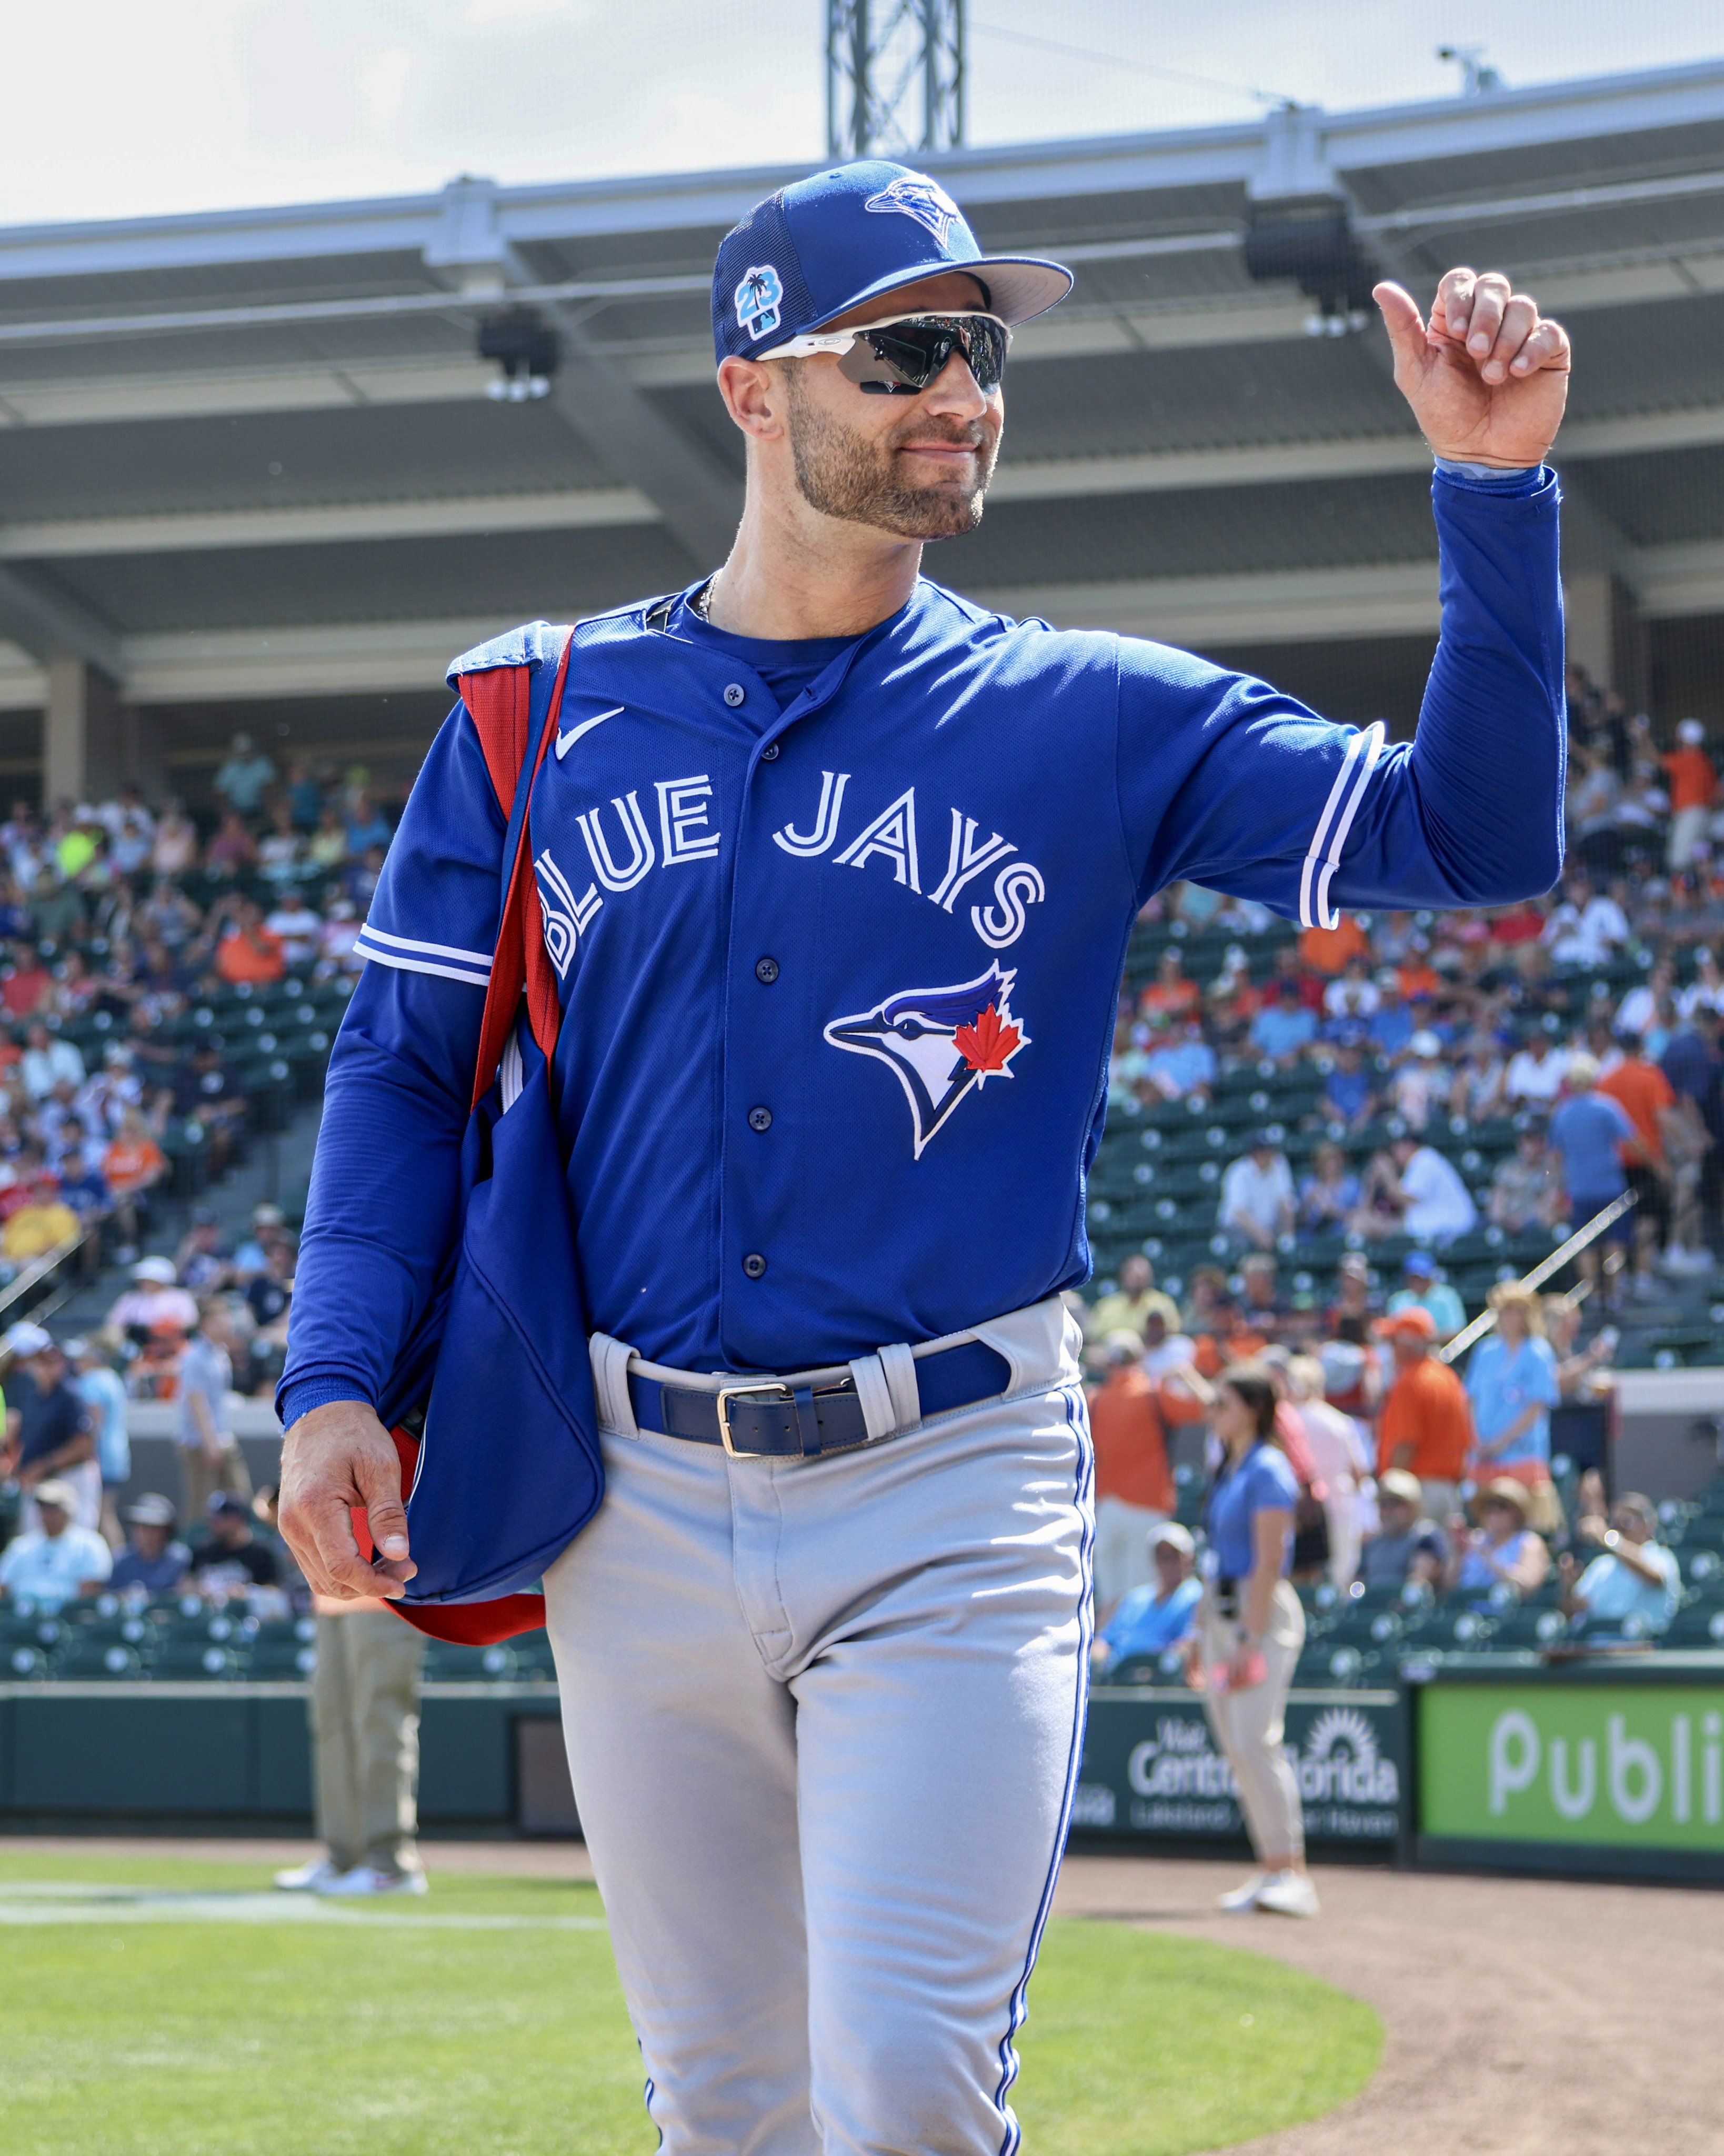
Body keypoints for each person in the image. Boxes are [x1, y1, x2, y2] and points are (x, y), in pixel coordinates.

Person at [278, 163, 1570, 2145]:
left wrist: (1488, 494)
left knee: (899, 2080)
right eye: (901, 348)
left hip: (952, 1484)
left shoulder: (1079, 712)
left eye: (975, 348)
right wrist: (332, 1385)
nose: (958, 387)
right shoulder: (536, 711)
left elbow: (1470, 840)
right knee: (721, 2097)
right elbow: (393, 1067)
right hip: (633, 1495)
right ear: (750, 386)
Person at [1190, 1364, 1315, 1919]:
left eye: (1223, 1403)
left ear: (1252, 1410)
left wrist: (1248, 1635)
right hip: (1221, 1615)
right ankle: (1269, 1867)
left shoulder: (1268, 1468)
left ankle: (1293, 1872)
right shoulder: (1229, 1466)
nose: (1212, 1411)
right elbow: (1213, 1556)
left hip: (1257, 1615)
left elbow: (1268, 1562)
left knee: (1256, 1738)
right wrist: (1201, 1632)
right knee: (1237, 1745)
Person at [274, 1560, 429, 1899]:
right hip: (331, 1592)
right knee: (333, 1728)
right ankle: (344, 1858)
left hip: (387, 1588)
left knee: (380, 1722)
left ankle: (390, 1864)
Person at [1086, 1329, 1202, 1616]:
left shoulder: (1095, 1399)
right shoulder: (1154, 1393)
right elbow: (1203, 1407)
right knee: (1140, 1602)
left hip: (1107, 1510)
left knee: (1109, 1605)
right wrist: (1184, 1374)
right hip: (1147, 1509)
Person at [1464, 1284, 1562, 1532]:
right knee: (1485, 1522)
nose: (1510, 1317)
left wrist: (1501, 1442)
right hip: (1484, 1455)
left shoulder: (1538, 1351)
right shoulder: (1485, 1351)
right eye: (1505, 1310)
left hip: (1522, 1453)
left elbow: (1536, 1406)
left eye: (1517, 1311)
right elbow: (1471, 1401)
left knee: (1527, 1524)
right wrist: (1476, 1441)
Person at [1375, 1306, 1474, 1520]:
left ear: (1408, 1346)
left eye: (1394, 1342)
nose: (1391, 1350)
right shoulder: (1449, 1377)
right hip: (1448, 1490)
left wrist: (1391, 1492)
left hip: (1415, 1492)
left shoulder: (1410, 1381)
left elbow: (1406, 1443)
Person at [1285, 1354, 1371, 1591]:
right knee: (1341, 1578)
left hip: (1301, 1512)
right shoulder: (1338, 1421)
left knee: (1302, 1580)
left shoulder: (1286, 1421)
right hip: (1338, 1507)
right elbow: (1359, 1472)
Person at [3, 1325, 98, 1533]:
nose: (47, 1368)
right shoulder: (33, 1396)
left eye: (53, 1362)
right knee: (33, 1539)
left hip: (70, 1479)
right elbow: (28, 1438)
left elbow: (84, 1444)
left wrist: (44, 1465)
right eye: (42, 1363)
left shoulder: (70, 1395)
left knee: (75, 1537)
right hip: (39, 1482)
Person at [1558, 1491, 1680, 1636]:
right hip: (1598, 1648)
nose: (1619, 1529)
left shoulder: (1660, 1556)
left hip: (1643, 1647)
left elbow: (1655, 1578)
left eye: (1626, 1522)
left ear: (1648, 1524)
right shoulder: (1603, 1565)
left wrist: (1609, 1539)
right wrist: (1568, 1586)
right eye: (1614, 1524)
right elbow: (1575, 1610)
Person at [176, 1299, 253, 1520]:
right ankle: (193, 1549)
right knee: (199, 1503)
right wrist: (210, 1442)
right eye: (220, 1321)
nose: (226, 1325)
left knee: (240, 1495)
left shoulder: (221, 1354)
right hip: (199, 1442)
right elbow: (197, 1401)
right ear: (206, 1324)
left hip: (222, 1438)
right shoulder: (194, 1358)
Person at [1091, 1522, 1200, 1675]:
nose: (1168, 1564)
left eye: (1175, 1557)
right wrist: (1097, 1660)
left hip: (1161, 1681)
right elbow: (1105, 1640)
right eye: (1162, 1557)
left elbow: (1191, 1642)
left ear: (1189, 1559)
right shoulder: (1135, 1599)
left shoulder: (1195, 1596)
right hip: (1119, 1677)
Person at [0, 1476, 111, 1606]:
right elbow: (3, 1586)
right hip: (22, 1617)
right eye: (43, 1508)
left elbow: (90, 1592)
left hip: (69, 1620)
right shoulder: (22, 1545)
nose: (47, 1515)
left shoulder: (90, 1544)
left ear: (69, 1510)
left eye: (53, 1508)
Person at [66, 1336, 129, 1551]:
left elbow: (93, 1425)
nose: (76, 1363)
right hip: (116, 1455)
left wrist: (88, 1455)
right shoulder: (112, 1378)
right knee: (105, 1513)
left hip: (101, 1457)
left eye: (81, 1358)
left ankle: (116, 1564)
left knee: (101, 1515)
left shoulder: (92, 1381)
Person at [1445, 1478, 1549, 1601]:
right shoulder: (1474, 1540)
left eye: (1502, 1506)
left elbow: (1528, 1585)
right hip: (1468, 1615)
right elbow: (1447, 1588)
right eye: (1489, 1507)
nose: (1494, 1513)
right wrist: (1458, 1554)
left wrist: (1491, 1561)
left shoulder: (1529, 1542)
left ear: (1517, 1513)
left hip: (1508, 1617)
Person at [1355, 1468, 1448, 1590]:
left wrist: (1396, 1606)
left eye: (1395, 1503)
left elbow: (1419, 1581)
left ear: (1413, 1507)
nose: (1388, 1511)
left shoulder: (1424, 1536)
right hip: (1372, 1608)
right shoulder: (1372, 1544)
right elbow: (1356, 1585)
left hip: (1408, 1608)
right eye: (1383, 1504)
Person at [189, 1490, 282, 1596]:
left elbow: (274, 1592)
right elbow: (186, 1584)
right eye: (212, 1520)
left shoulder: (261, 1553)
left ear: (238, 1520)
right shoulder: (203, 1551)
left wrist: (247, 1592)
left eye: (220, 1520)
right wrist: (197, 1590)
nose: (214, 1525)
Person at [1389, 1133, 1478, 1243]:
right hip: (1439, 1228)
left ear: (1409, 1145)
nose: (1394, 1154)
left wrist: (1387, 1174)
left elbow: (1404, 1200)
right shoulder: (1421, 1160)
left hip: (1453, 1228)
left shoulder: (1424, 1159)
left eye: (1397, 1147)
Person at [1219, 1132, 1296, 1252]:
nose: (1268, 1155)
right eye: (1264, 1151)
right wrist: (1260, 1234)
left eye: (1270, 1151)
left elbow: (1286, 1203)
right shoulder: (1238, 1172)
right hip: (1238, 1230)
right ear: (1255, 1154)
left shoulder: (1279, 1164)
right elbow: (1239, 1213)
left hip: (1269, 1228)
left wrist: (1288, 1235)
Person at [108, 1492, 191, 1598]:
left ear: (166, 1531)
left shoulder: (179, 1560)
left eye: (153, 1528)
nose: (145, 1534)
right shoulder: (121, 1560)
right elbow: (109, 1597)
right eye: (140, 1527)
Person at [1084, 1252, 1179, 1343]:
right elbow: (1093, 1338)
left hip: (1153, 1353)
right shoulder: (1106, 1306)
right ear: (1123, 1276)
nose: (1139, 1281)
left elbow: (1174, 1333)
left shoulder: (1163, 1303)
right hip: (1114, 1356)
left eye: (1143, 1276)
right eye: (1135, 1276)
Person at [1662, 719, 1716, 873]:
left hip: (1691, 813)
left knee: (1680, 861)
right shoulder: (1704, 759)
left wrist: (1644, 738)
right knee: (1697, 859)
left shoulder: (1690, 757)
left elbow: (1658, 762)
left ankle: (1684, 892)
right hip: (1700, 814)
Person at [1386, 1251, 1465, 1341]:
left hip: (1442, 1351)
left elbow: (1457, 1330)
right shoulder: (1398, 1300)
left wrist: (1426, 1339)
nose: (1418, 1282)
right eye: (1413, 1278)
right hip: (1407, 1352)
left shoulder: (1448, 1296)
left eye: (1422, 1277)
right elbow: (1393, 1332)